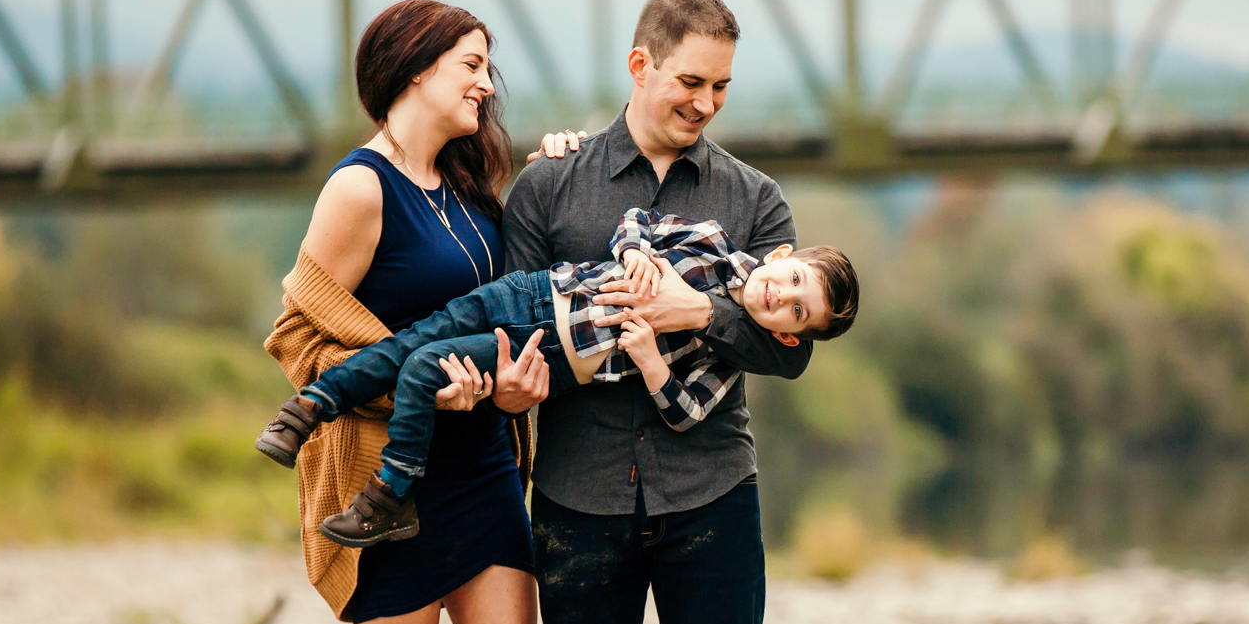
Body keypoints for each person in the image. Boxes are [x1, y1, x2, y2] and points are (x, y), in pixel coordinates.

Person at [503, 0, 808, 624]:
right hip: (577, 495)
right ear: (639, 66)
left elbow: (790, 348)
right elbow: (513, 322)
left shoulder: (754, 199)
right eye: (689, 80)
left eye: (720, 85)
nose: (706, 101)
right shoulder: (549, 187)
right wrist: (521, 379)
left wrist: (697, 316)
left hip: (713, 489)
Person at [263, 0, 553, 624]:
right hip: (392, 474)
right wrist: (413, 387)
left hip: (483, 468)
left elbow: (508, 319)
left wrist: (508, 392)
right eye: (471, 64)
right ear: (414, 69)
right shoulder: (360, 190)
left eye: (487, 67)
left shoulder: (472, 188)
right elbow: (297, 337)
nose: (484, 82)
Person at [255, 208, 859, 547]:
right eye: (795, 282)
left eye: (796, 313)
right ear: (783, 258)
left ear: (789, 335)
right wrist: (634, 253)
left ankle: (391, 494)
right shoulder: (710, 241)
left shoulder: (726, 357)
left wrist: (651, 361)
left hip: (543, 352)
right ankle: (310, 406)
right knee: (415, 339)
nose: (782, 298)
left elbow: (685, 412)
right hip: (534, 292)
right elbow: (634, 220)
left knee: (418, 369)